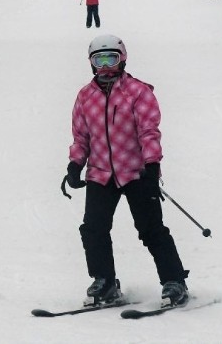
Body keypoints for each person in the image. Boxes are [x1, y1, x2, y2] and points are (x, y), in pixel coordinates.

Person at [65, 34, 189, 308]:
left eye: (112, 58)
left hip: (136, 173)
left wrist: (152, 165)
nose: (106, 66)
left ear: (123, 59)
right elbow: (81, 136)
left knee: (151, 229)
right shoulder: (85, 96)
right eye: (100, 60)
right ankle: (105, 281)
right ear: (91, 63)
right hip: (100, 173)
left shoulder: (138, 92)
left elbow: (149, 132)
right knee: (93, 228)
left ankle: (174, 281)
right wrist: (75, 164)